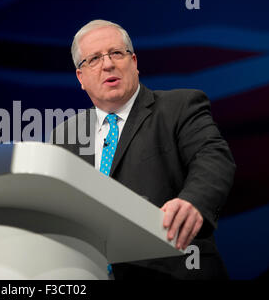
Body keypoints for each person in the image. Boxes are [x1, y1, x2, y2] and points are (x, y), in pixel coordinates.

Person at [51, 19, 236, 279]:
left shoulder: (179, 107)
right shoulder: (65, 135)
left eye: (116, 53)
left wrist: (193, 201)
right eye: (93, 59)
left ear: (134, 62)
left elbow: (213, 158)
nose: (107, 64)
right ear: (81, 77)